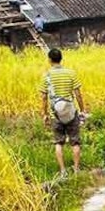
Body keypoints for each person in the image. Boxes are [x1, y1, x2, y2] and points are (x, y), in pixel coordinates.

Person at [39, 48, 86, 177]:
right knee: (75, 142)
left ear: (49, 60)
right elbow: (78, 94)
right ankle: (76, 170)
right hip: (71, 113)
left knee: (58, 142)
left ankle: (63, 171)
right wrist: (82, 110)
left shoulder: (47, 76)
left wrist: (44, 114)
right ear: (61, 58)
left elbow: (43, 97)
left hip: (55, 115)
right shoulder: (70, 73)